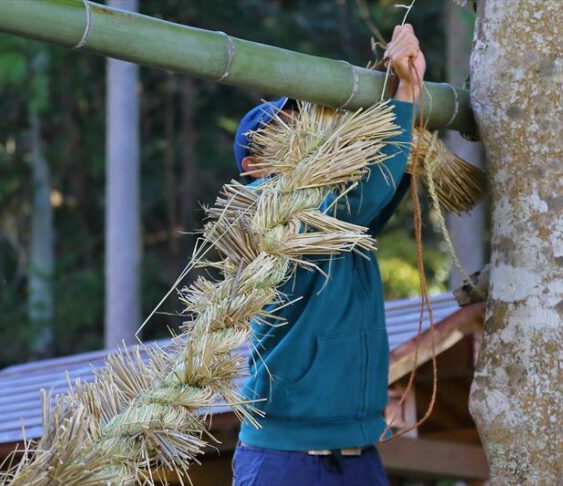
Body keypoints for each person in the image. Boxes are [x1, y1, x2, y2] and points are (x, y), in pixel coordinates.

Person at [231, 24, 425, 486]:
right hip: (282, 458)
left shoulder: (344, 224)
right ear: (253, 165)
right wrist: (406, 91)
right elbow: (359, 200)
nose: (305, 138)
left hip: (358, 454)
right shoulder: (262, 212)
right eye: (285, 132)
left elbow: (374, 199)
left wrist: (406, 128)